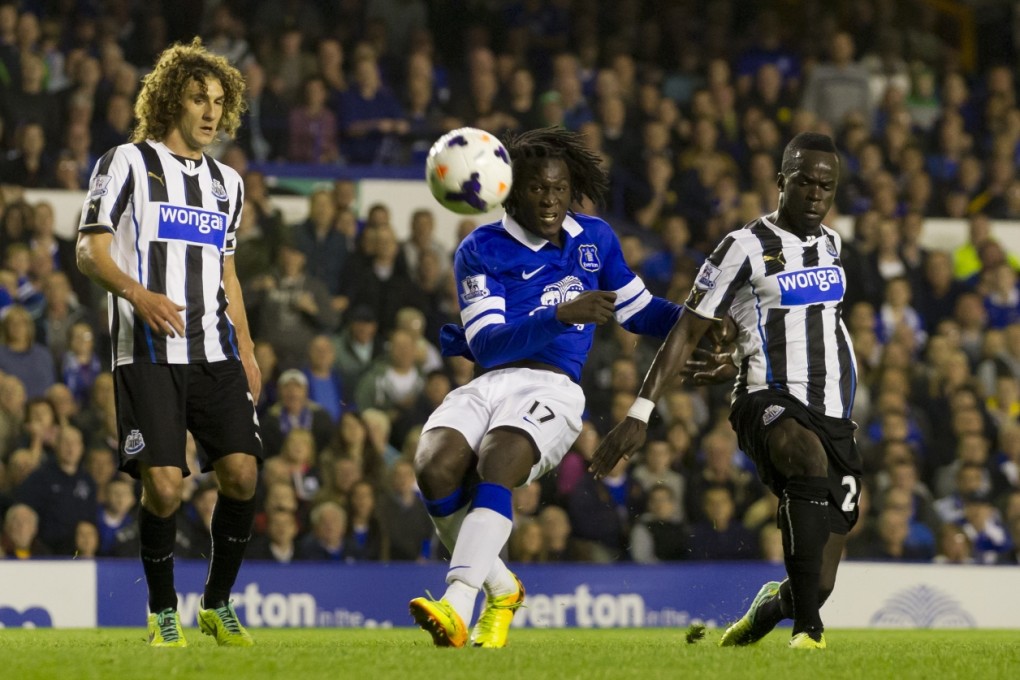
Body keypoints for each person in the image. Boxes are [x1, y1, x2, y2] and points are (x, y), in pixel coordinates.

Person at [407, 127, 682, 648]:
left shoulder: (595, 239)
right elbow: (486, 344)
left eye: (559, 188)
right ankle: (503, 588)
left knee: (500, 458)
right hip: (488, 381)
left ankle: (458, 601)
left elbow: (641, 311)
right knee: (434, 466)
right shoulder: (481, 248)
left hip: (553, 387)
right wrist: (562, 314)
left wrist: (695, 321)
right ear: (509, 189)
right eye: (537, 189)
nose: (551, 199)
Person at [591, 132, 860, 650]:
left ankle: (771, 612)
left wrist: (736, 347)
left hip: (835, 417)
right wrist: (641, 411)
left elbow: (806, 322)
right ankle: (809, 633)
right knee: (803, 457)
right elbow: (688, 329)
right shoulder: (742, 247)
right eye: (806, 182)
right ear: (782, 182)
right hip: (766, 399)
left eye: (827, 186)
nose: (816, 195)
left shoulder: (832, 244)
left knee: (818, 584)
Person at [75, 39, 261, 648]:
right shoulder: (125, 163)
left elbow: (227, 273)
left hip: (216, 352)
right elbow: (88, 250)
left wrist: (250, 351)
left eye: (218, 101)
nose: (210, 112)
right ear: (169, 101)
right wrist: (138, 293)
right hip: (148, 353)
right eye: (197, 98)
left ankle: (217, 604)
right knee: (164, 486)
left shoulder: (228, 185)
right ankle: (161, 611)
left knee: (241, 475)